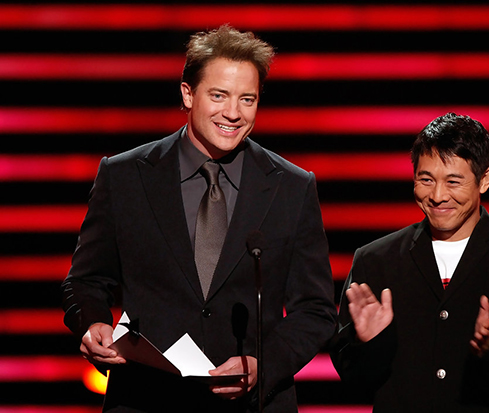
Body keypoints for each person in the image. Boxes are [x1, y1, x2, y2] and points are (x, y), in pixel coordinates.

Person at [62, 25, 336, 413]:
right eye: (219, 95)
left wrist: (263, 365)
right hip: (146, 398)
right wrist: (93, 325)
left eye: (247, 99)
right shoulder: (124, 176)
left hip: (253, 404)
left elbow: (316, 308)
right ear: (187, 93)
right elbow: (86, 280)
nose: (233, 113)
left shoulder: (291, 186)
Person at [330, 112, 489, 412]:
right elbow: (352, 374)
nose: (438, 196)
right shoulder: (376, 260)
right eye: (425, 180)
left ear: (485, 180)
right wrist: (371, 343)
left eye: (453, 181)